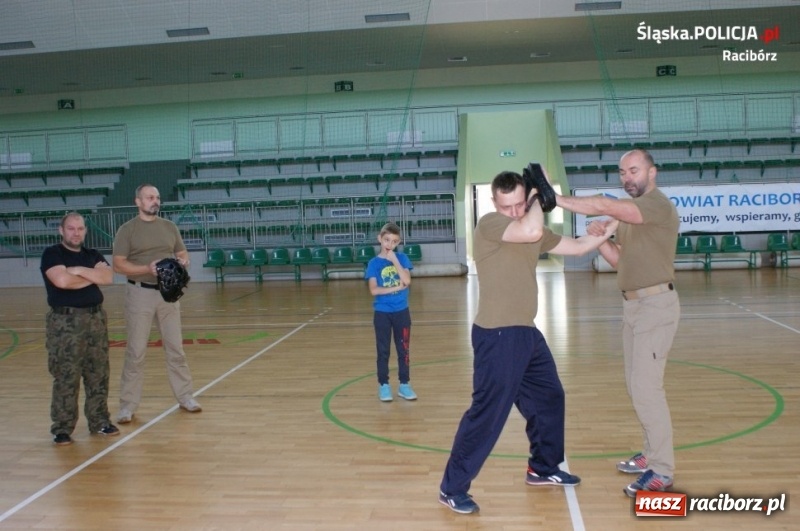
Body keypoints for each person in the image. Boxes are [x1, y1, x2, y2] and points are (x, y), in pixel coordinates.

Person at [438, 170, 618, 514]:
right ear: (494, 203)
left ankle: (542, 467)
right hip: (497, 335)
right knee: (487, 415)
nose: (515, 211)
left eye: (521, 203)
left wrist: (611, 227)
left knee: (550, 398)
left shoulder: (531, 230)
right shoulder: (490, 225)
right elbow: (530, 227)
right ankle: (452, 487)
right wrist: (538, 194)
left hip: (526, 333)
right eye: (508, 206)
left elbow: (578, 248)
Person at [555, 148, 680, 497]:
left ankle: (662, 470)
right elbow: (619, 261)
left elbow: (603, 205)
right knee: (636, 385)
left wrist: (556, 200)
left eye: (634, 171)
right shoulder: (632, 218)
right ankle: (650, 453)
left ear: (651, 173)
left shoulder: (656, 206)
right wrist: (602, 240)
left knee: (646, 389)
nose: (627, 178)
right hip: (634, 308)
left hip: (656, 305)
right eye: (623, 173)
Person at [112, 184, 202, 423]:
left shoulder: (169, 227)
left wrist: (182, 262)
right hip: (139, 293)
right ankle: (127, 406)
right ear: (138, 201)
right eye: (150, 197)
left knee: (176, 349)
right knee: (136, 351)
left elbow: (183, 254)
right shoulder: (127, 230)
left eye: (158, 197)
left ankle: (186, 397)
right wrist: (146, 269)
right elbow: (118, 264)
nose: (155, 201)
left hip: (168, 295)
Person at [40, 212, 119, 445]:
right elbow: (62, 282)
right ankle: (62, 428)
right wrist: (91, 275)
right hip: (65, 323)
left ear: (85, 231)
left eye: (80, 229)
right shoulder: (52, 253)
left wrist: (75, 271)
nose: (76, 233)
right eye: (71, 228)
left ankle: (99, 421)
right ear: (61, 230)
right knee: (66, 375)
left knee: (98, 373)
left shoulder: (92, 254)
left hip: (95, 320)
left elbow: (107, 278)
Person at [365, 222, 416, 402]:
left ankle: (404, 384)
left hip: (402, 312)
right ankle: (384, 385)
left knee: (404, 350)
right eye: (386, 240)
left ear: (398, 242)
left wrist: (394, 260)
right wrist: (396, 286)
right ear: (380, 239)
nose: (389, 244)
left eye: (394, 242)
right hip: (382, 313)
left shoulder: (401, 259)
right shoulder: (373, 263)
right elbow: (374, 290)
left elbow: (407, 280)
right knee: (383, 350)